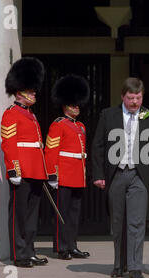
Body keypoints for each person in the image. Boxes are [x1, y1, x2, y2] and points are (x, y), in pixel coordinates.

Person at [91, 77, 149, 278]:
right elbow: (97, 147)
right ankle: (118, 265)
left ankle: (135, 268)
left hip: (139, 176)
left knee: (137, 223)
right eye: (131, 98)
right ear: (123, 96)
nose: (135, 102)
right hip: (116, 175)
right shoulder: (108, 115)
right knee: (118, 223)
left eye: (138, 98)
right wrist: (98, 175)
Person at [1, 57, 48, 268]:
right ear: (20, 92)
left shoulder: (30, 115)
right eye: (31, 90)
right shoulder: (11, 114)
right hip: (22, 170)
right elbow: (9, 144)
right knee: (19, 215)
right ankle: (19, 254)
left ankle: (29, 250)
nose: (34, 94)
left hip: (36, 170)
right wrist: (14, 169)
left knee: (31, 216)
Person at [45, 75, 91, 260]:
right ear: (65, 105)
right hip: (63, 174)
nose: (76, 107)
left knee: (74, 214)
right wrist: (52, 175)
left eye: (78, 104)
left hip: (77, 175)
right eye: (73, 104)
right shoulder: (58, 125)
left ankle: (72, 245)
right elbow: (51, 151)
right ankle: (61, 247)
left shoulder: (80, 126)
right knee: (61, 213)